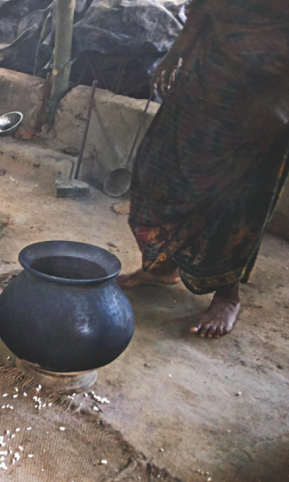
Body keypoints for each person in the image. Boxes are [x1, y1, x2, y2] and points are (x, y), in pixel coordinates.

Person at [118, 0, 289, 338]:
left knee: (235, 202)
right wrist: (177, 52)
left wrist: (284, 99)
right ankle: (162, 268)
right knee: (155, 173)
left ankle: (227, 295)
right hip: (205, 72)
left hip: (264, 93)